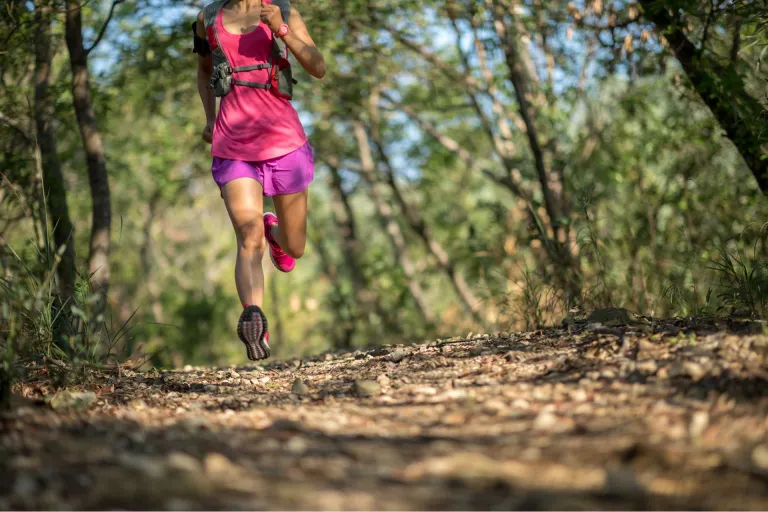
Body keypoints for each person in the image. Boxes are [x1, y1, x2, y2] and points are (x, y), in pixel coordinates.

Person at [193, 0, 325, 360]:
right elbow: (205, 72)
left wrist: (281, 28)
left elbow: (318, 67)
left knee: (295, 246)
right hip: (232, 143)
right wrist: (209, 117)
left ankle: (276, 233)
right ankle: (255, 316)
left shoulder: (283, 9)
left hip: (285, 142)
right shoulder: (206, 18)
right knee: (247, 236)